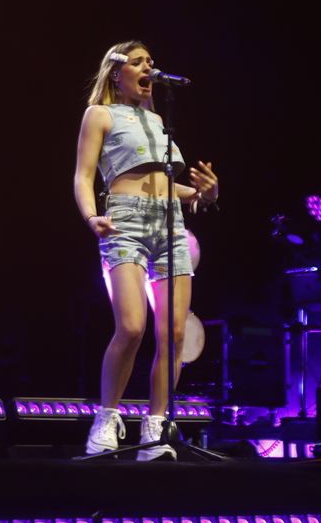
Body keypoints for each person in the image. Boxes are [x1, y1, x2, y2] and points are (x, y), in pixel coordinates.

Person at [72, 41, 219, 460]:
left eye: (151, 62)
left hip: (171, 223)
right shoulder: (100, 114)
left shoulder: (157, 121)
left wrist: (205, 195)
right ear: (116, 73)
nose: (148, 67)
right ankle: (106, 416)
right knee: (132, 327)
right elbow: (83, 176)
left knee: (173, 334)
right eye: (137, 62)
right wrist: (89, 216)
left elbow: (169, 184)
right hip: (124, 220)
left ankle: (154, 428)